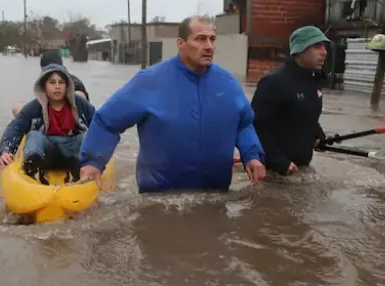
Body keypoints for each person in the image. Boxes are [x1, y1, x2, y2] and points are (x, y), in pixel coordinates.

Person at [78, 15, 266, 192]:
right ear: (181, 44)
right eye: (200, 39)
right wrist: (93, 162)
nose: (209, 46)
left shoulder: (227, 83)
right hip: (160, 198)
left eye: (212, 39)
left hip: (215, 196)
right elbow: (107, 121)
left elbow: (243, 124)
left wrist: (252, 156)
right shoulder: (150, 81)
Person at [250, 25, 329, 176]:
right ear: (300, 49)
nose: (324, 52)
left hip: (300, 171)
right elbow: (256, 126)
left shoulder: (314, 81)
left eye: (324, 47)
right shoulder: (274, 82)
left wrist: (317, 135)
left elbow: (305, 115)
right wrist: (278, 161)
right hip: (274, 172)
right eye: (317, 46)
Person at [0, 63, 95, 184]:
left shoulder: (80, 104)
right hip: (47, 152)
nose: (57, 87)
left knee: (88, 135)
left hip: (72, 150)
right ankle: (32, 168)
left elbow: (98, 124)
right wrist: (5, 151)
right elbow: (15, 128)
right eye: (52, 82)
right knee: (33, 135)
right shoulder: (33, 107)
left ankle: (80, 167)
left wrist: (102, 153)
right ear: (44, 86)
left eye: (61, 82)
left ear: (68, 86)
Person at [11, 51, 89, 117]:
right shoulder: (43, 81)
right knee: (17, 109)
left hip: (70, 117)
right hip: (48, 114)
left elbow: (81, 96)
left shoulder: (72, 81)